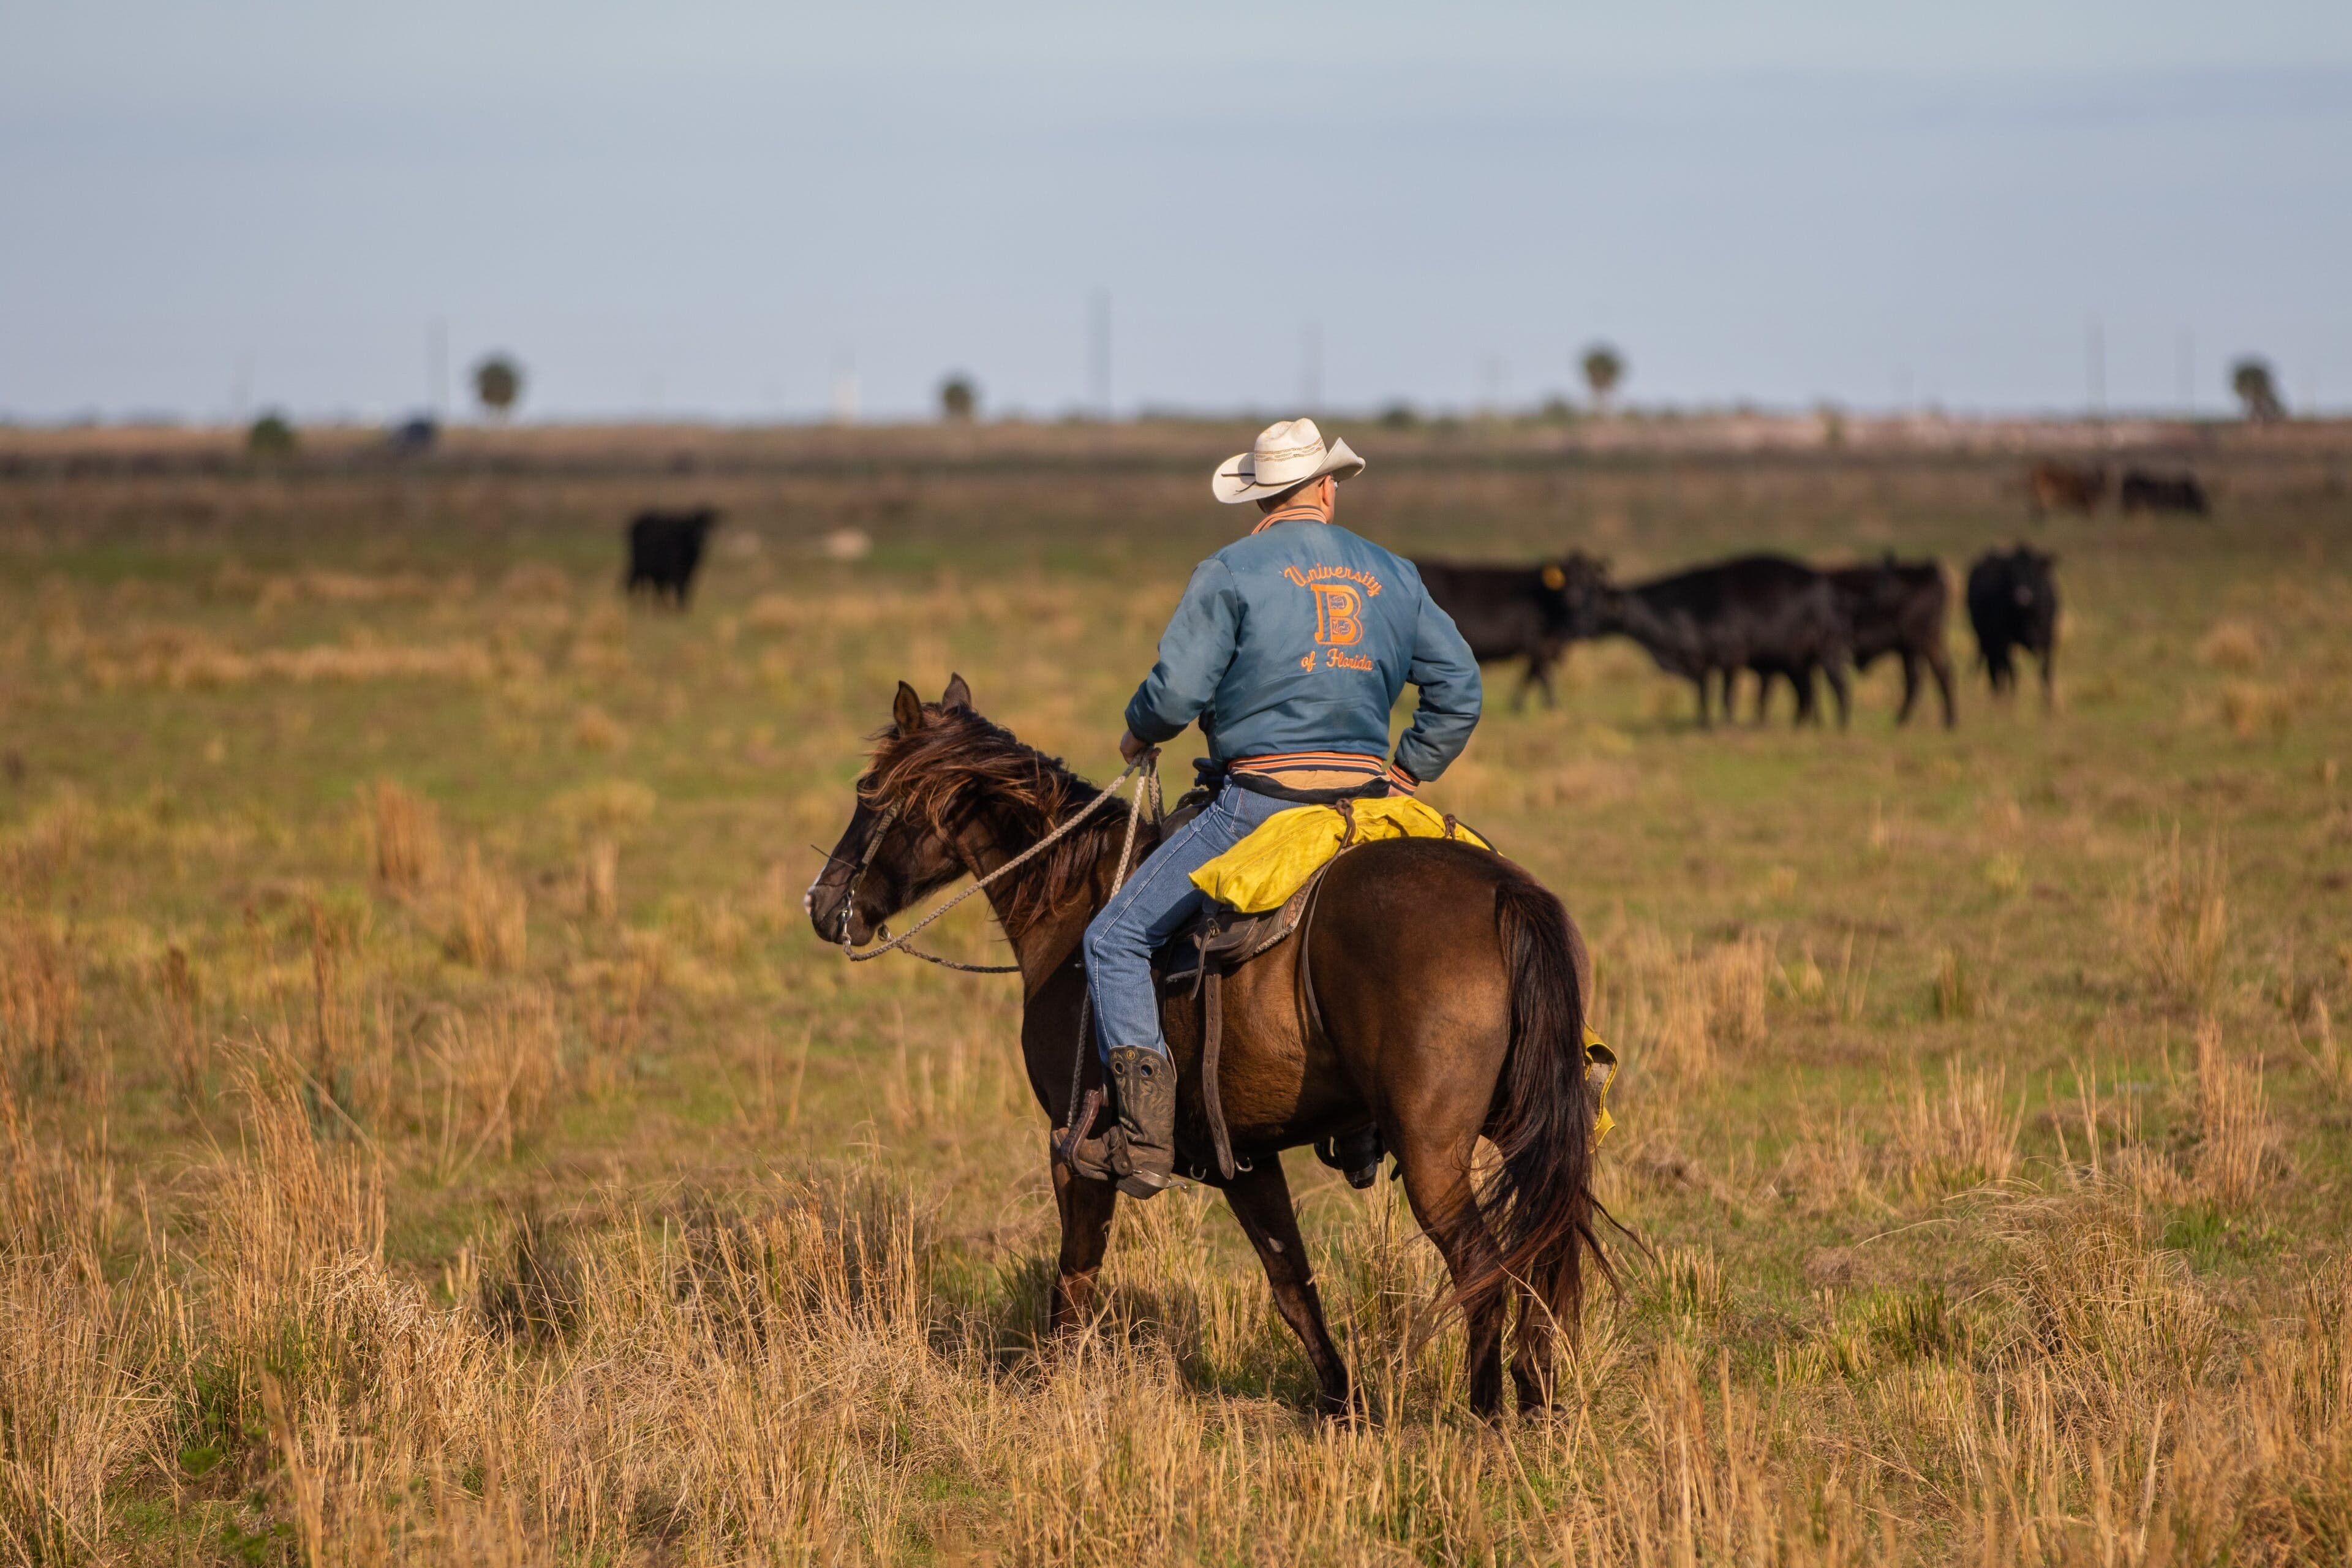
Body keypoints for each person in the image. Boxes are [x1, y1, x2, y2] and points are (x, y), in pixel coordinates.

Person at [1077, 418, 1482, 1197]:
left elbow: (1176, 693)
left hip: (1260, 803)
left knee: (1114, 941)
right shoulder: (1394, 573)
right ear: (1329, 487)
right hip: (1367, 809)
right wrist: (1411, 769)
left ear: (1260, 495)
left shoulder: (1230, 570)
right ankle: (1359, 1125)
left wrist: (1139, 731)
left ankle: (1145, 1139)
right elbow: (1460, 687)